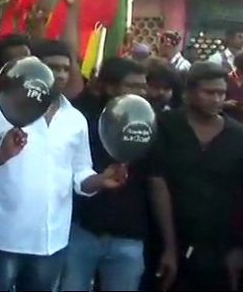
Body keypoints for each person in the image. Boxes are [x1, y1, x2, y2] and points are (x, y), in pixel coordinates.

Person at [0, 40, 127, 292]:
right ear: (36, 71)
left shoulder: (75, 119)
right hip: (3, 236)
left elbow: (80, 173)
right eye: (53, 67)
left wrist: (101, 179)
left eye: (66, 68)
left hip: (51, 240)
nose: (61, 75)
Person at [63, 57, 178, 292]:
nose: (140, 92)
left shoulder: (150, 127)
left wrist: (169, 245)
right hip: (82, 232)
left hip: (129, 239)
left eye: (142, 86)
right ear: (110, 87)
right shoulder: (83, 119)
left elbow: (157, 185)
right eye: (131, 86)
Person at [150, 62, 243, 291]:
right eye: (209, 92)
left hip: (218, 248)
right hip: (164, 240)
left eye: (221, 93)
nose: (216, 99)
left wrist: (241, 249)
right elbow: (156, 181)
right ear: (188, 94)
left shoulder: (241, 138)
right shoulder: (166, 126)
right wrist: (169, 247)